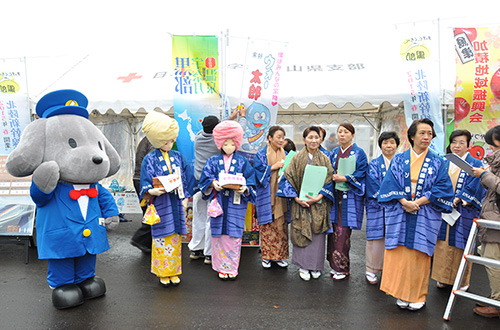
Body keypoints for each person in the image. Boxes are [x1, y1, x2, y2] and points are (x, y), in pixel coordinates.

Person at [378, 118, 454, 311]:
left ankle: (418, 295)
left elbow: (443, 188)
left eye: (430, 133)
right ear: (412, 136)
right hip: (401, 210)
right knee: (400, 254)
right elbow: (390, 183)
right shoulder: (399, 158)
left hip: (425, 210)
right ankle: (401, 294)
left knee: (420, 253)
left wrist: (418, 202)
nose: (426, 137)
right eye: (422, 133)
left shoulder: (438, 161)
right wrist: (404, 202)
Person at [139, 111, 197, 288]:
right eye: (166, 141)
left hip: (177, 202)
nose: (170, 144)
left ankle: (174, 271)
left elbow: (187, 176)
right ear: (157, 140)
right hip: (161, 203)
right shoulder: (150, 159)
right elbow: (145, 181)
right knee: (162, 237)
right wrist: (151, 191)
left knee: (176, 236)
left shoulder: (178, 157)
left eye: (172, 140)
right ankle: (163, 272)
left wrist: (186, 196)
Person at [199, 120, 256, 280]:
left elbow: (251, 180)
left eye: (232, 143)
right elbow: (206, 176)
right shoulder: (213, 161)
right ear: (219, 143)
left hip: (236, 203)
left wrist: (246, 188)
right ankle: (220, 267)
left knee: (233, 237)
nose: (229, 147)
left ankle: (232, 268)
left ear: (237, 143)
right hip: (220, 203)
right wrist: (212, 183)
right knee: (218, 236)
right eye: (226, 143)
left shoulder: (243, 162)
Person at [277, 126, 334, 281]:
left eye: (317, 137)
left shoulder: (325, 158)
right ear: (304, 140)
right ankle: (303, 266)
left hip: (318, 204)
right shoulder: (296, 158)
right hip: (300, 202)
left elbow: (330, 182)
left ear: (321, 139)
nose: (314, 140)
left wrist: (318, 197)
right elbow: (287, 179)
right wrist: (296, 198)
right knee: (301, 231)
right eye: (310, 137)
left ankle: (315, 266)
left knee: (317, 234)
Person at [432, 130, 484, 291]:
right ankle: (442, 278)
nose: (457, 146)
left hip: (464, 210)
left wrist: (460, 197)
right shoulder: (444, 161)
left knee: (462, 244)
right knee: (442, 243)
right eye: (454, 142)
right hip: (444, 209)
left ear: (469, 145)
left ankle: (462, 281)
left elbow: (477, 185)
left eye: (462, 142)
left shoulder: (475, 164)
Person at [324, 123, 367, 281]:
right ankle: (334, 265)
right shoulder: (334, 152)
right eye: (340, 132)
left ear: (352, 135)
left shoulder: (359, 152)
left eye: (346, 132)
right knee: (333, 231)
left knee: (343, 233)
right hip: (335, 196)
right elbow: (328, 170)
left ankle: (342, 268)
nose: (342, 135)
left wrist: (346, 178)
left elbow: (362, 172)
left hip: (349, 196)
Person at [471, 125, 500, 318]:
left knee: (493, 260)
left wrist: (485, 175)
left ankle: (497, 303)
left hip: (496, 219)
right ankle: (495, 296)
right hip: (493, 216)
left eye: (494, 146)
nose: (492, 150)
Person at [364, 131, 399, 285]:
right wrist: (389, 197)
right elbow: (372, 185)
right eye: (385, 143)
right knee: (376, 239)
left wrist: (397, 198)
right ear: (380, 145)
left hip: (397, 207)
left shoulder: (401, 163)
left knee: (394, 239)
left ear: (396, 145)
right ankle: (371, 269)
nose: (389, 146)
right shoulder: (374, 164)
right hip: (377, 206)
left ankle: (390, 270)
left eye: (392, 142)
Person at [254, 126, 289, 269]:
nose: (281, 140)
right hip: (266, 194)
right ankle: (267, 256)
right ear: (270, 138)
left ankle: (279, 257)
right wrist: (273, 167)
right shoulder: (262, 154)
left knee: (280, 226)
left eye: (283, 137)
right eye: (278, 137)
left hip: (281, 196)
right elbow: (258, 172)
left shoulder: (286, 154)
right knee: (267, 226)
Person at [188, 115, 220, 264]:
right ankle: (208, 253)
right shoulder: (217, 142)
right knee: (211, 217)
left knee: (198, 216)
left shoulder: (198, 138)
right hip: (213, 184)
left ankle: (195, 249)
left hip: (198, 183)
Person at [131, 136, 155, 254]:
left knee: (147, 211)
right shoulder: (153, 141)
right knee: (151, 211)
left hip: (139, 179)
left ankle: (146, 242)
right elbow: (152, 161)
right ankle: (139, 239)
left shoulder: (145, 139)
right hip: (145, 180)